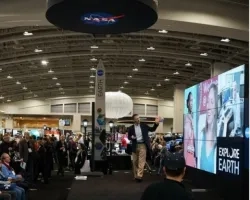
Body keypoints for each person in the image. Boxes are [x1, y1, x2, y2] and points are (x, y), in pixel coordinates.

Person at [128, 114, 160, 182]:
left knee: (141, 161)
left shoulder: (144, 125)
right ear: (133, 120)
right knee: (135, 162)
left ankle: (139, 176)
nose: (138, 119)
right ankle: (136, 175)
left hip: (143, 145)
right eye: (136, 118)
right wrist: (132, 137)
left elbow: (152, 129)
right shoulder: (130, 128)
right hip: (134, 146)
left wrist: (156, 124)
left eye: (139, 118)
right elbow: (129, 137)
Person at [199, 84, 217, 173]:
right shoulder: (201, 134)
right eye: (208, 102)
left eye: (212, 102)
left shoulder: (219, 137)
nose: (209, 106)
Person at [184, 92, 196, 168]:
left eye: (192, 100)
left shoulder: (194, 117)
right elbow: (186, 142)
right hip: (189, 153)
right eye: (190, 100)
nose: (191, 103)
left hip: (194, 154)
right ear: (187, 103)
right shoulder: (186, 118)